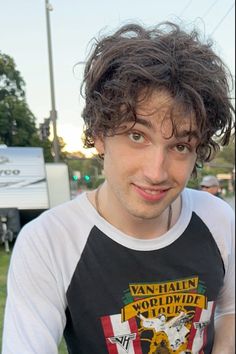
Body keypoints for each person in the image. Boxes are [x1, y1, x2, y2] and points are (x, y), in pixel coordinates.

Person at [2, 22, 235, 354]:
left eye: (180, 146)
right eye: (137, 135)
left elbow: (230, 309)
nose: (156, 172)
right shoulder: (48, 242)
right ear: (99, 134)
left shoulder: (217, 219)